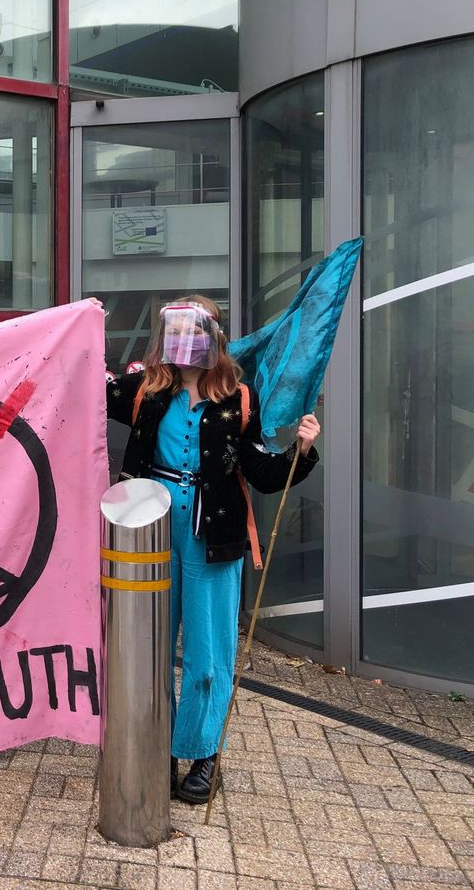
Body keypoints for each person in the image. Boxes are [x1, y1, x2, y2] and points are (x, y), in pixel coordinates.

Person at [106, 295, 320, 804]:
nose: (183, 344)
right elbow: (86, 386)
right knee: (148, 646)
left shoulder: (238, 399)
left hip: (212, 536)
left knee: (208, 652)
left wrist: (301, 450)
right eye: (174, 331)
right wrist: (85, 324)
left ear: (212, 336)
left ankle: (204, 755)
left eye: (192, 331)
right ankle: (156, 747)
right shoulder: (147, 389)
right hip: (149, 533)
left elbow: (264, 474)